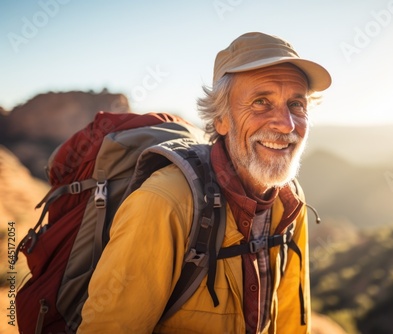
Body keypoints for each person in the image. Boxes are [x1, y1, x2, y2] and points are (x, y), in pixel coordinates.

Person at [78, 31, 332, 333]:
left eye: (296, 104)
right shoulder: (164, 202)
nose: (286, 124)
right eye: (261, 102)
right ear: (221, 120)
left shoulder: (290, 201)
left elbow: (290, 319)